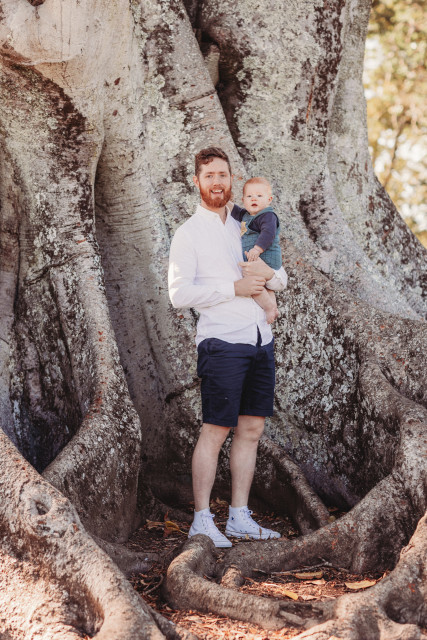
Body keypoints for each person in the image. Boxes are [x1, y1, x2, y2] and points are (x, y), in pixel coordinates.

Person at [168, 147, 287, 548]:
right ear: (197, 182)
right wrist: (232, 288)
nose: (217, 182)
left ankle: (239, 517)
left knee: (251, 429)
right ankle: (202, 521)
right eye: (209, 176)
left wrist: (269, 277)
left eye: (223, 174)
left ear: (231, 178)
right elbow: (178, 294)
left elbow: (280, 277)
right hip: (222, 342)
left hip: (260, 339)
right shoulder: (188, 233)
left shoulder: (249, 222)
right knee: (216, 429)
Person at [230, 176, 282, 324]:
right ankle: (274, 307)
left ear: (269, 199)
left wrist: (257, 249)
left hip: (266, 257)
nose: (254, 199)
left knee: (252, 282)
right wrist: (225, 201)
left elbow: (268, 233)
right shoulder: (246, 215)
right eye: (249, 196)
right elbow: (235, 210)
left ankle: (268, 308)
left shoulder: (268, 216)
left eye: (259, 196)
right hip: (259, 259)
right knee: (267, 287)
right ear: (243, 200)